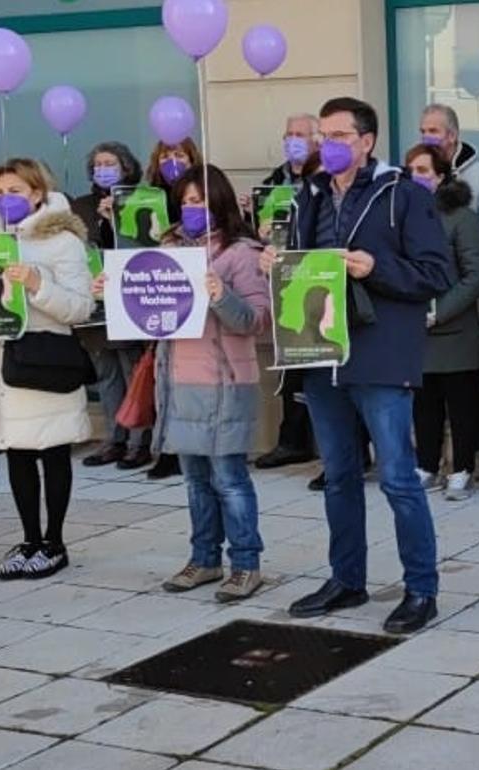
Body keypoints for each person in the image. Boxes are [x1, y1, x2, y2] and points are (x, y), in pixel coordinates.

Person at [268, 97, 453, 634]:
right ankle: (347, 580)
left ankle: (421, 589)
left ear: (367, 142)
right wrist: (276, 263)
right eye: (322, 136)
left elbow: (436, 273)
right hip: (320, 351)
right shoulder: (309, 196)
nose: (327, 145)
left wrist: (377, 268)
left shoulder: (402, 196)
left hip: (380, 354)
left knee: (397, 478)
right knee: (339, 476)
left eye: (339, 136)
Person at [146, 164, 270, 601]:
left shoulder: (241, 253)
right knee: (195, 480)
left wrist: (221, 295)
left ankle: (246, 564)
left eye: (198, 200)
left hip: (223, 382)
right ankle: (204, 558)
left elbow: (255, 321)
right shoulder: (169, 250)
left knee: (229, 479)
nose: (190, 208)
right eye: (184, 201)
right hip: (179, 381)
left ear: (218, 200)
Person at [0, 159, 94, 579]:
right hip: (1, 359)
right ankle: (29, 539)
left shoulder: (62, 241)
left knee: (53, 450)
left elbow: (80, 307)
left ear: (37, 194)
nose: (6, 199)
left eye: (16, 191)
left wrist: (37, 284)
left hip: (44, 360)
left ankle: (54, 541)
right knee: (17, 452)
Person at [404, 144, 479, 501]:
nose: (415, 177)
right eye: (410, 171)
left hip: (454, 330)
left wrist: (438, 311)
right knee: (424, 406)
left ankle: (462, 470)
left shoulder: (461, 218)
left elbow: (476, 274)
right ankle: (427, 465)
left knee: (461, 406)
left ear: (441, 176)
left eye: (423, 171)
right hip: (415, 330)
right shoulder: (403, 215)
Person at [420, 104, 479, 480]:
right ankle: (429, 460)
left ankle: (473, 456)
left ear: (452, 135)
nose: (427, 136)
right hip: (423, 316)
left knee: (467, 388)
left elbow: (478, 257)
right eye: (423, 130)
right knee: (428, 394)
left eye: (434, 130)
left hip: (465, 306)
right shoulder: (412, 196)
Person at [71, 141, 156, 470]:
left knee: (134, 371)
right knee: (106, 374)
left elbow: (147, 246)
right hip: (96, 301)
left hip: (130, 297)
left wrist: (116, 220)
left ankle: (139, 441)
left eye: (110, 164)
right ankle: (114, 438)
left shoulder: (142, 199)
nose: (102, 170)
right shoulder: (80, 206)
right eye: (98, 165)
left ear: (126, 168)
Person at [255, 114, 321, 471]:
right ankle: (292, 441)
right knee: (292, 367)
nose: (292, 140)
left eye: (300, 134)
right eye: (288, 134)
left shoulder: (323, 180)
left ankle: (337, 448)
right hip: (286, 281)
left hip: (319, 278)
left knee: (323, 367)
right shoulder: (273, 183)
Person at [137, 138, 205, 481]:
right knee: (161, 379)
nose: (172, 161)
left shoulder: (204, 195)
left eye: (179, 154)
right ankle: (164, 448)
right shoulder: (145, 197)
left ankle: (186, 448)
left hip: (193, 298)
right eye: (165, 155)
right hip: (156, 291)